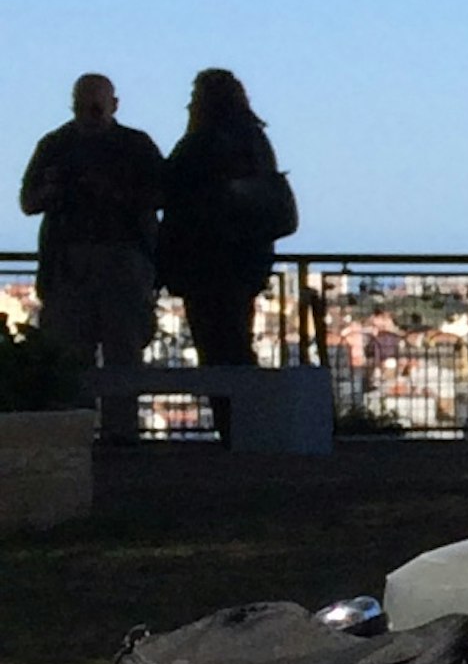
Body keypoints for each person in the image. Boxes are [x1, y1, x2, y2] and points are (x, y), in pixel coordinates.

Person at [18, 73, 166, 423]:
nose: (89, 115)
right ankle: (95, 428)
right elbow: (29, 201)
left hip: (108, 262)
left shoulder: (61, 144)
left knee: (115, 351)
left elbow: (161, 193)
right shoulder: (64, 145)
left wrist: (112, 193)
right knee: (85, 354)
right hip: (84, 263)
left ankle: (105, 429)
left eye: (93, 108)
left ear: (113, 105)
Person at [155, 69, 297, 372]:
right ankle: (244, 418)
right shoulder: (254, 140)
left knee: (217, 353)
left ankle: (232, 417)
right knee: (234, 348)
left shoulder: (201, 143)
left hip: (205, 265)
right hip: (245, 262)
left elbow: (168, 188)